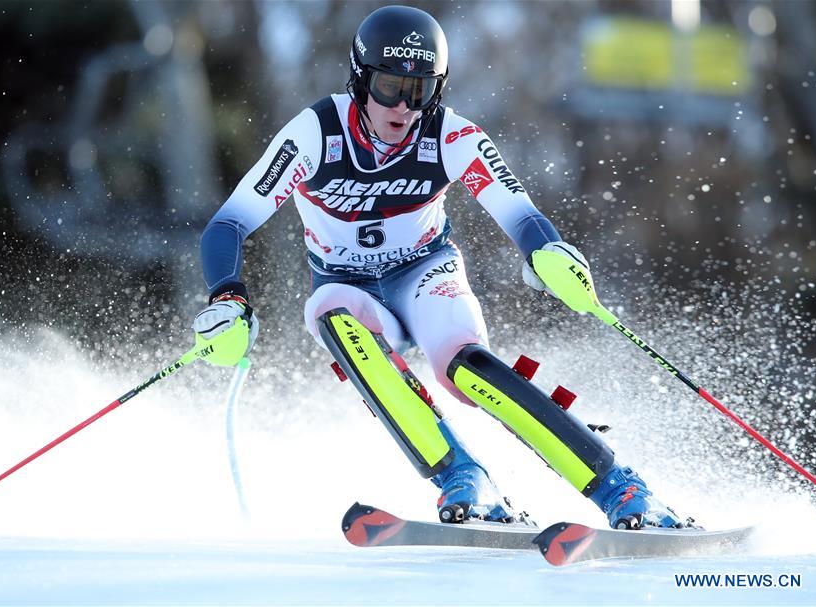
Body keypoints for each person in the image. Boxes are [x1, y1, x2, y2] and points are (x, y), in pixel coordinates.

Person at [194, 5, 695, 529]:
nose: (405, 107)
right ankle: (464, 476)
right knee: (330, 313)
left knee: (463, 369)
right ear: (360, 80)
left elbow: (518, 210)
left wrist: (547, 252)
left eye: (421, 90)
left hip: (425, 274)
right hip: (351, 288)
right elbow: (229, 223)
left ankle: (623, 488)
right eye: (390, 86)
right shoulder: (316, 134)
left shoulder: (450, 135)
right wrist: (228, 297)